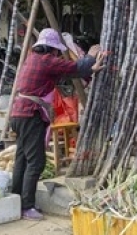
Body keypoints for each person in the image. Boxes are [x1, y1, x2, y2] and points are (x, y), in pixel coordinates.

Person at [10, 28, 104, 220]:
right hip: (30, 115)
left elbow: (64, 74)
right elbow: (73, 67)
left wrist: (88, 69)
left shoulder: (33, 59)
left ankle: (16, 200)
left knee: (22, 158)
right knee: (36, 162)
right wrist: (91, 58)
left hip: (19, 114)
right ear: (52, 49)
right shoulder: (46, 61)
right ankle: (27, 206)